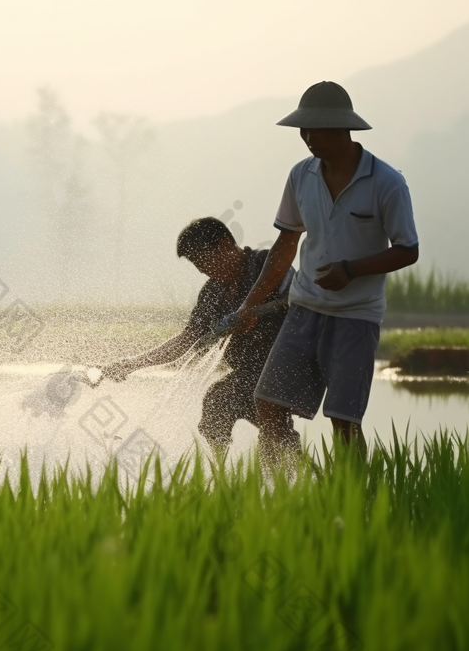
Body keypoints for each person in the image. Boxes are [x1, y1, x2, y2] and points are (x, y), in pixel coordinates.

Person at [230, 81, 419, 461]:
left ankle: (353, 498)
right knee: (267, 403)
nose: (307, 138)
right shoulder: (301, 175)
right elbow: (286, 245)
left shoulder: (386, 183)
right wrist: (249, 306)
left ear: (342, 129)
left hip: (355, 316)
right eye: (303, 129)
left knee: (344, 421)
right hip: (304, 309)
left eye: (316, 129)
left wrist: (350, 270)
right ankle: (280, 488)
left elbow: (407, 250)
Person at [102, 217, 300, 458]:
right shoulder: (212, 292)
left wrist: (254, 312)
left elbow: (298, 302)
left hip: (286, 367)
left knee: (243, 411)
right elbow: (187, 340)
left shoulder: (265, 264)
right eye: (195, 263)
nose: (201, 269)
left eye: (203, 259)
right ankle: (222, 476)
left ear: (225, 244)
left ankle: (304, 480)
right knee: (226, 411)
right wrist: (132, 364)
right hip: (249, 375)